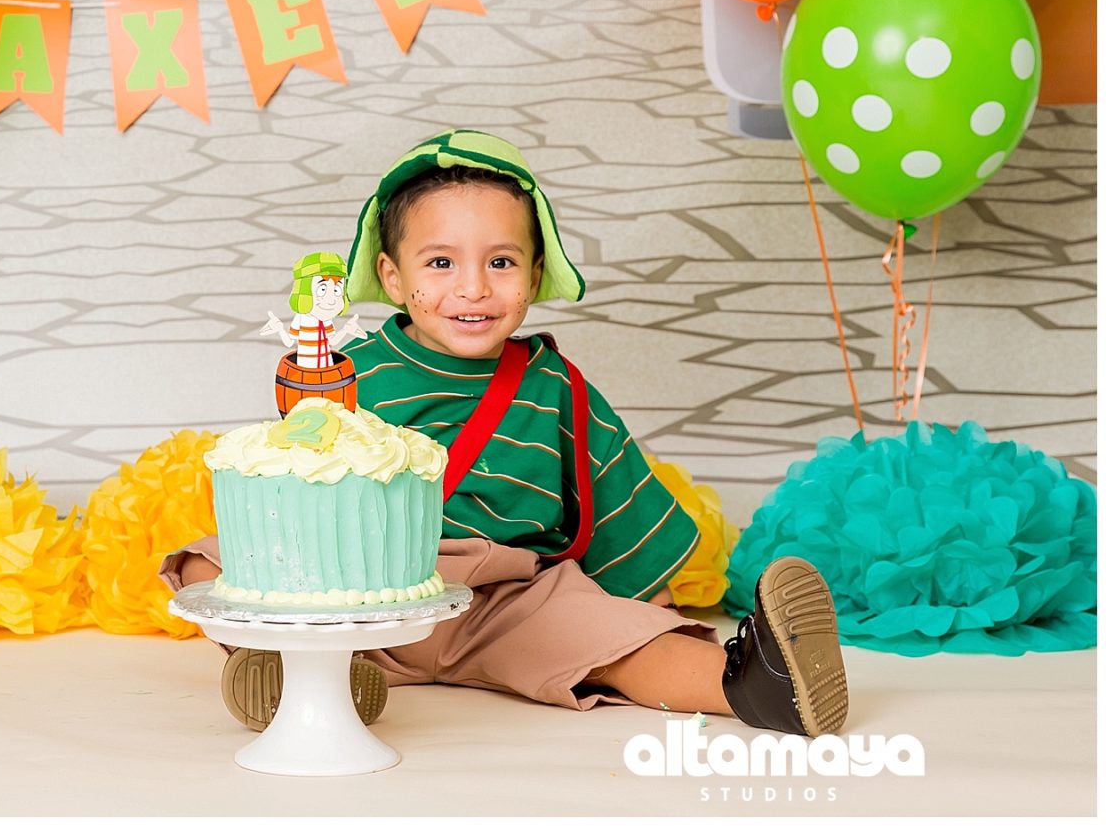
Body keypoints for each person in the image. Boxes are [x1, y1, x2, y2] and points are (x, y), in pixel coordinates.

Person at [161, 130, 849, 740]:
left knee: (617, 642)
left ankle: (757, 684)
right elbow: (299, 484)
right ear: (393, 278)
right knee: (203, 563)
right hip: (358, 602)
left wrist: (642, 613)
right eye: (441, 264)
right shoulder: (348, 376)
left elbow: (614, 497)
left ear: (534, 274)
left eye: (500, 262)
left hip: (506, 604)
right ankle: (301, 672)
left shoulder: (556, 387)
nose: (474, 288)